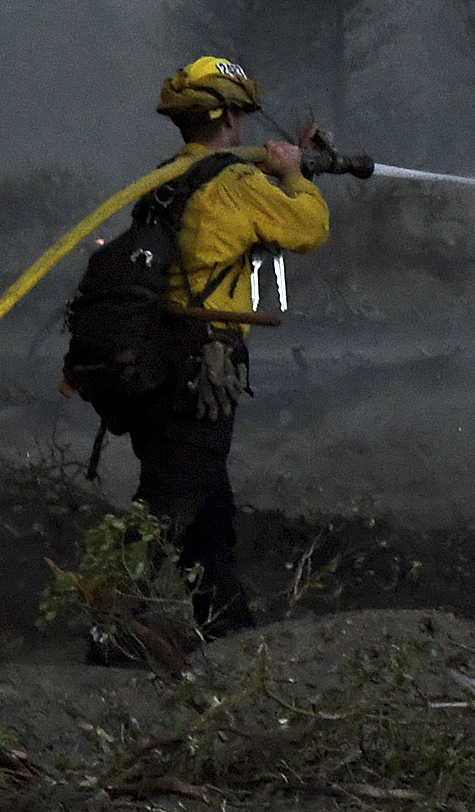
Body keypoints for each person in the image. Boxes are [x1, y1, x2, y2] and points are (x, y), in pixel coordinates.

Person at [132, 55, 332, 636]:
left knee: (208, 514)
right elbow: (308, 230)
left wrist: (298, 167)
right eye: (240, 115)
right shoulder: (235, 183)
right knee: (169, 508)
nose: (244, 127)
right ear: (226, 119)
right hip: (198, 374)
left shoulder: (171, 178)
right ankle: (108, 625)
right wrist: (295, 173)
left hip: (154, 367)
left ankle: (226, 632)